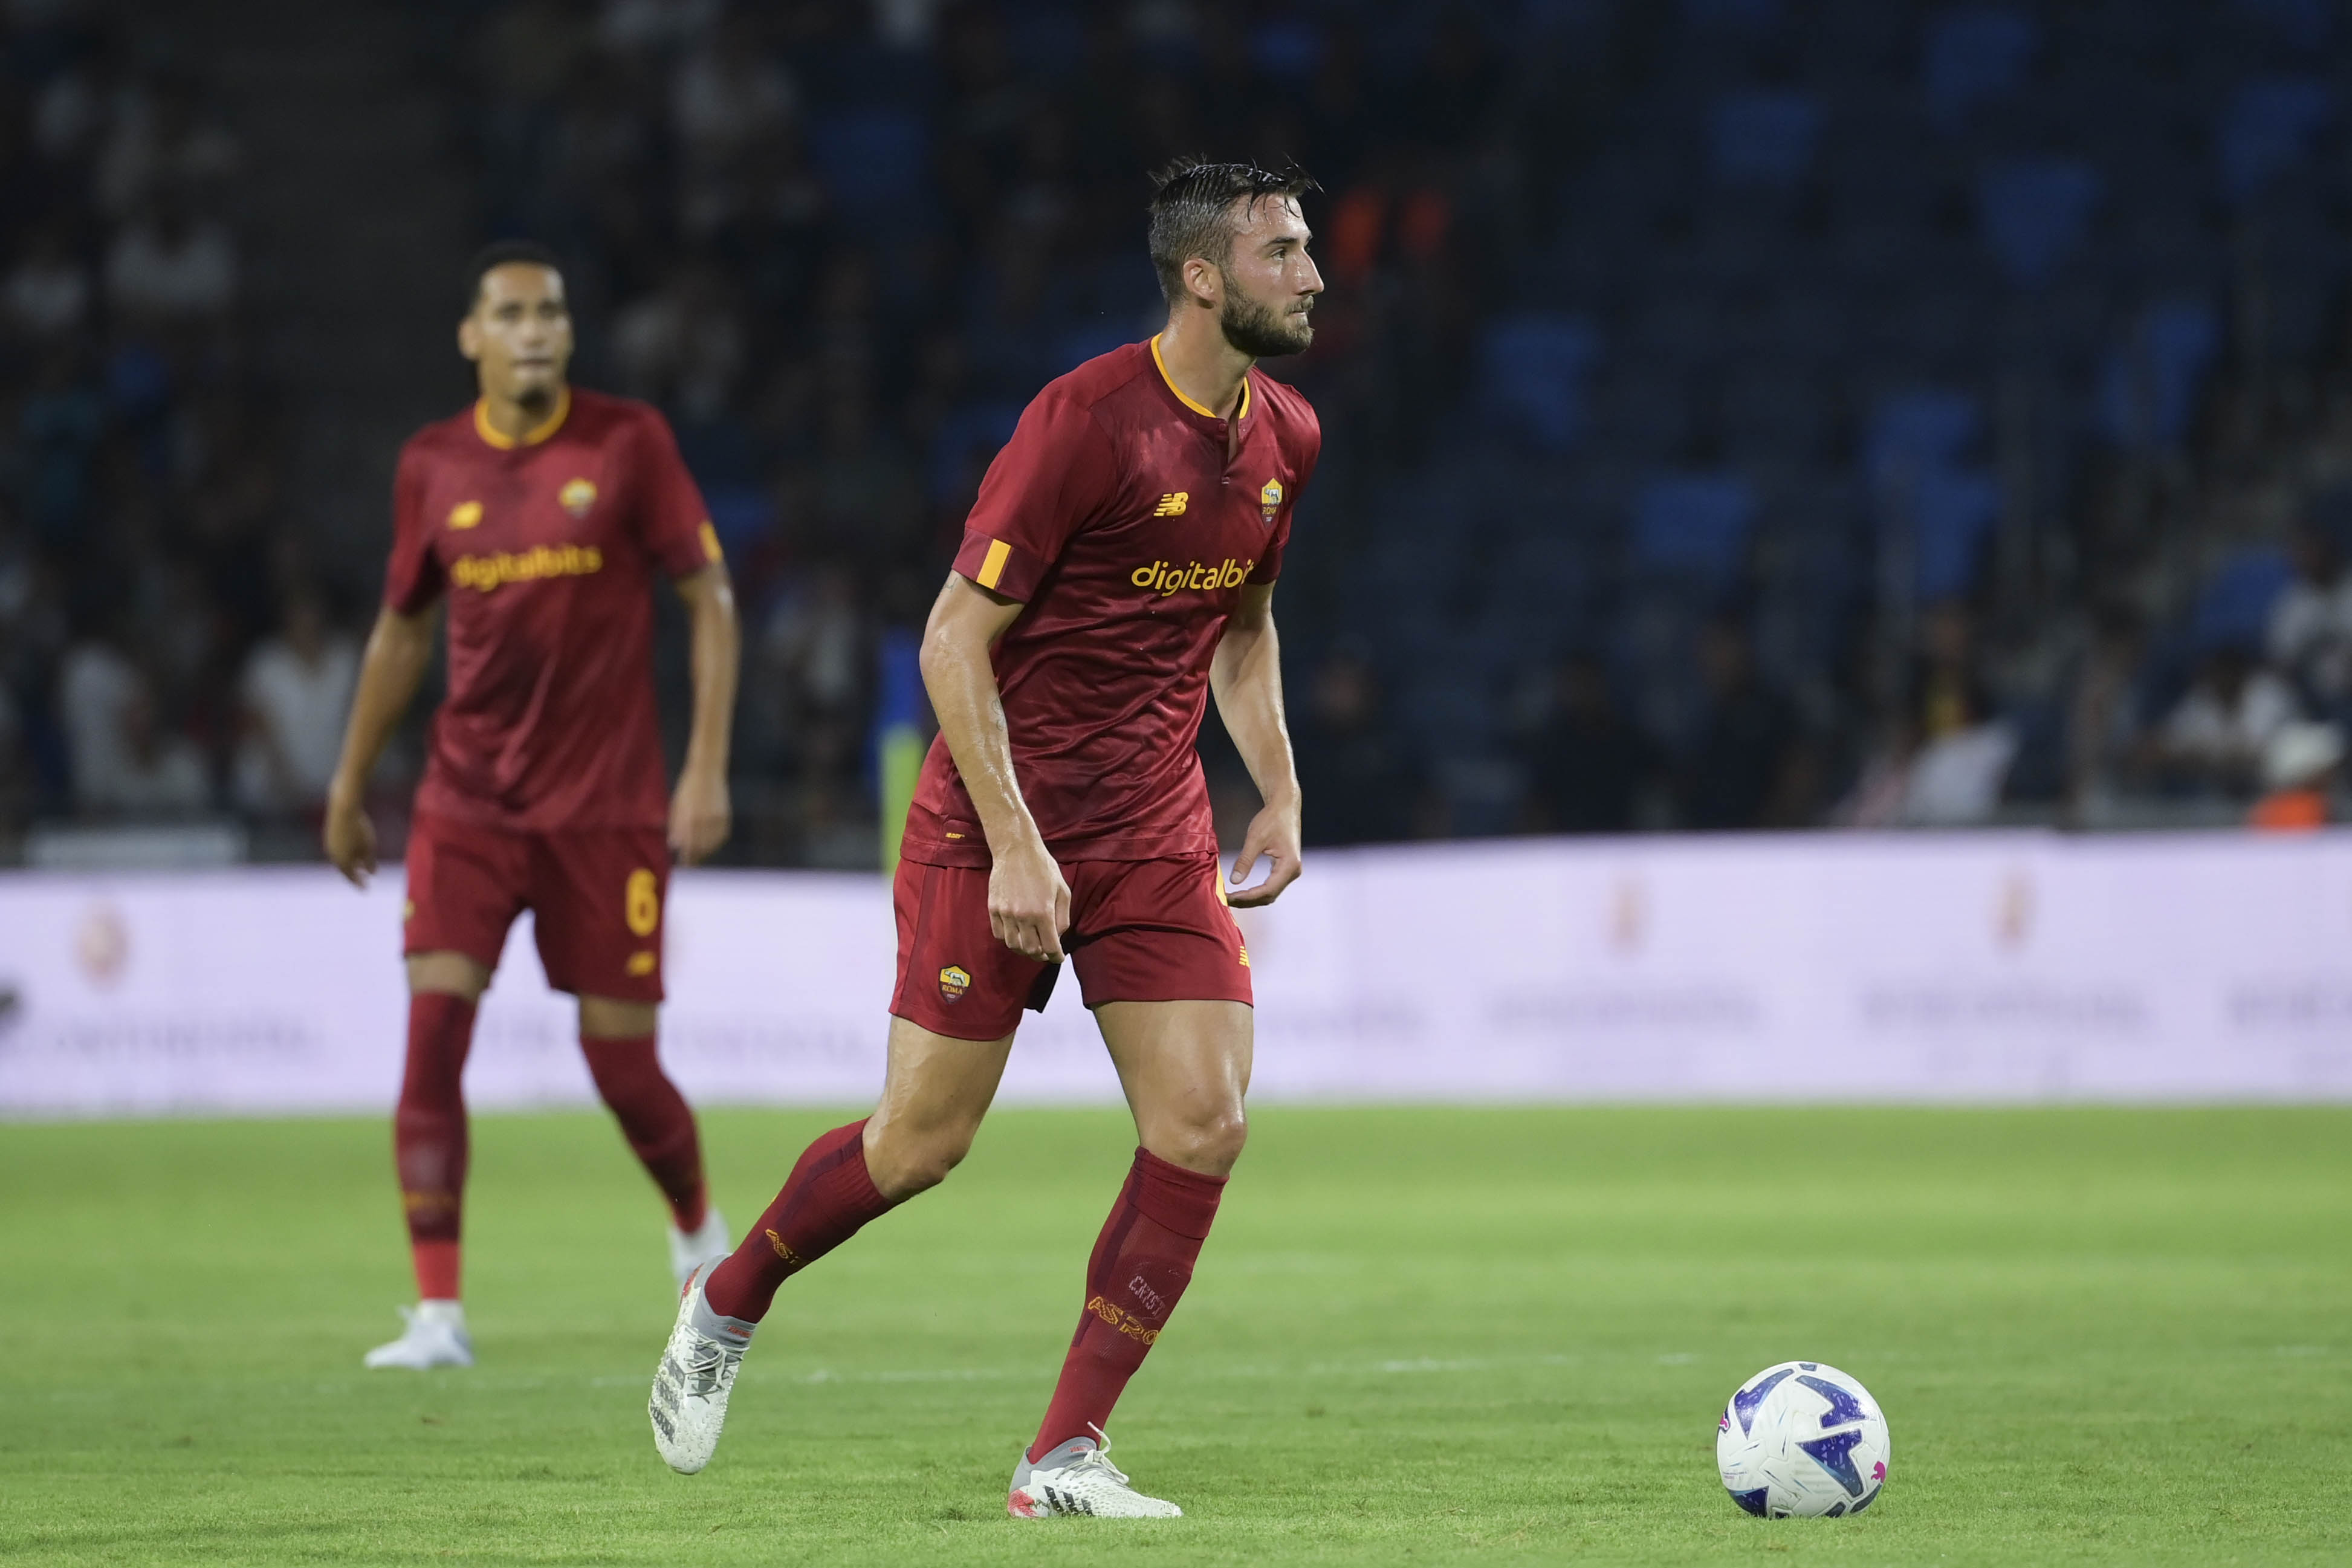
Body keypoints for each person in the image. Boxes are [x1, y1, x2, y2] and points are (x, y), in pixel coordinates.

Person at [647, 160, 1325, 1519]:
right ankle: (727, 1299)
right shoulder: (1081, 424)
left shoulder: (1287, 436)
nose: (1310, 275)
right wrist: (1017, 844)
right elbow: (953, 638)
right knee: (919, 1144)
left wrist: (1281, 786)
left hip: (1148, 825)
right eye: (1281, 253)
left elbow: (1240, 632)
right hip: (990, 821)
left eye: (1304, 251)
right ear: (1201, 275)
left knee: (1202, 1122)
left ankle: (1060, 1456)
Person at [323, 242, 743, 1371]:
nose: (536, 330)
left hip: (604, 809)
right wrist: (352, 781)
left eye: (551, 311)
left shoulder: (627, 443)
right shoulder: (432, 465)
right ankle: (438, 1316)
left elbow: (709, 598)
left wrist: (704, 768)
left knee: (620, 1066)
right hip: (466, 805)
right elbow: (402, 629)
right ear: (471, 336)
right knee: (432, 1043)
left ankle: (699, 1236)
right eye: (510, 313)